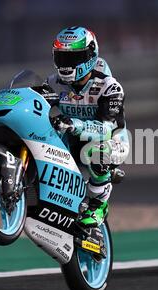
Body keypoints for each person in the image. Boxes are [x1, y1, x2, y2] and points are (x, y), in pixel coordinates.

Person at [45, 26, 129, 227]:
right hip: (71, 139)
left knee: (97, 152)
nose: (67, 64)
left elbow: (107, 128)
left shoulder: (110, 87)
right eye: (62, 58)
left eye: (73, 58)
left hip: (112, 141)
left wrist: (73, 124)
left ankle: (98, 204)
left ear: (90, 55)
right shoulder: (52, 83)